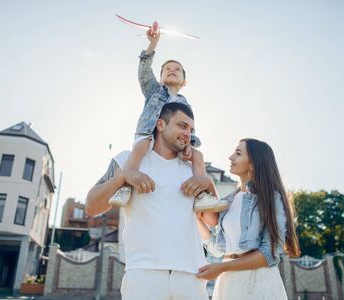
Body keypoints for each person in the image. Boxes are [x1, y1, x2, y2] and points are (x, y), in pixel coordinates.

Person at [86, 102, 218, 300]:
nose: (188, 134)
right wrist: (124, 177)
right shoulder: (128, 160)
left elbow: (211, 220)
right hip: (144, 274)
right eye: (182, 126)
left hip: (191, 275)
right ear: (161, 125)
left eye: (191, 129)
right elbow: (92, 206)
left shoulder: (192, 167)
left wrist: (207, 182)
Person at [108, 24, 228, 212]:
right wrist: (152, 45)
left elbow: (189, 128)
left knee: (198, 156)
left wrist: (190, 144)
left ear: (184, 81)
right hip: (148, 134)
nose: (172, 70)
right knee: (140, 148)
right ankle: (125, 188)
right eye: (167, 69)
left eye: (177, 69)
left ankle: (201, 196)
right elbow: (144, 73)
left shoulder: (185, 103)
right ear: (161, 77)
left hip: (173, 142)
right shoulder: (154, 91)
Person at [196, 138, 300, 299]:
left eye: (238, 153)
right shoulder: (229, 200)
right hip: (228, 283)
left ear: (252, 164)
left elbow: (269, 253)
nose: (230, 157)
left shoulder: (271, 197)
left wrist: (222, 268)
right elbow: (218, 248)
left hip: (258, 282)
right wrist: (196, 219)